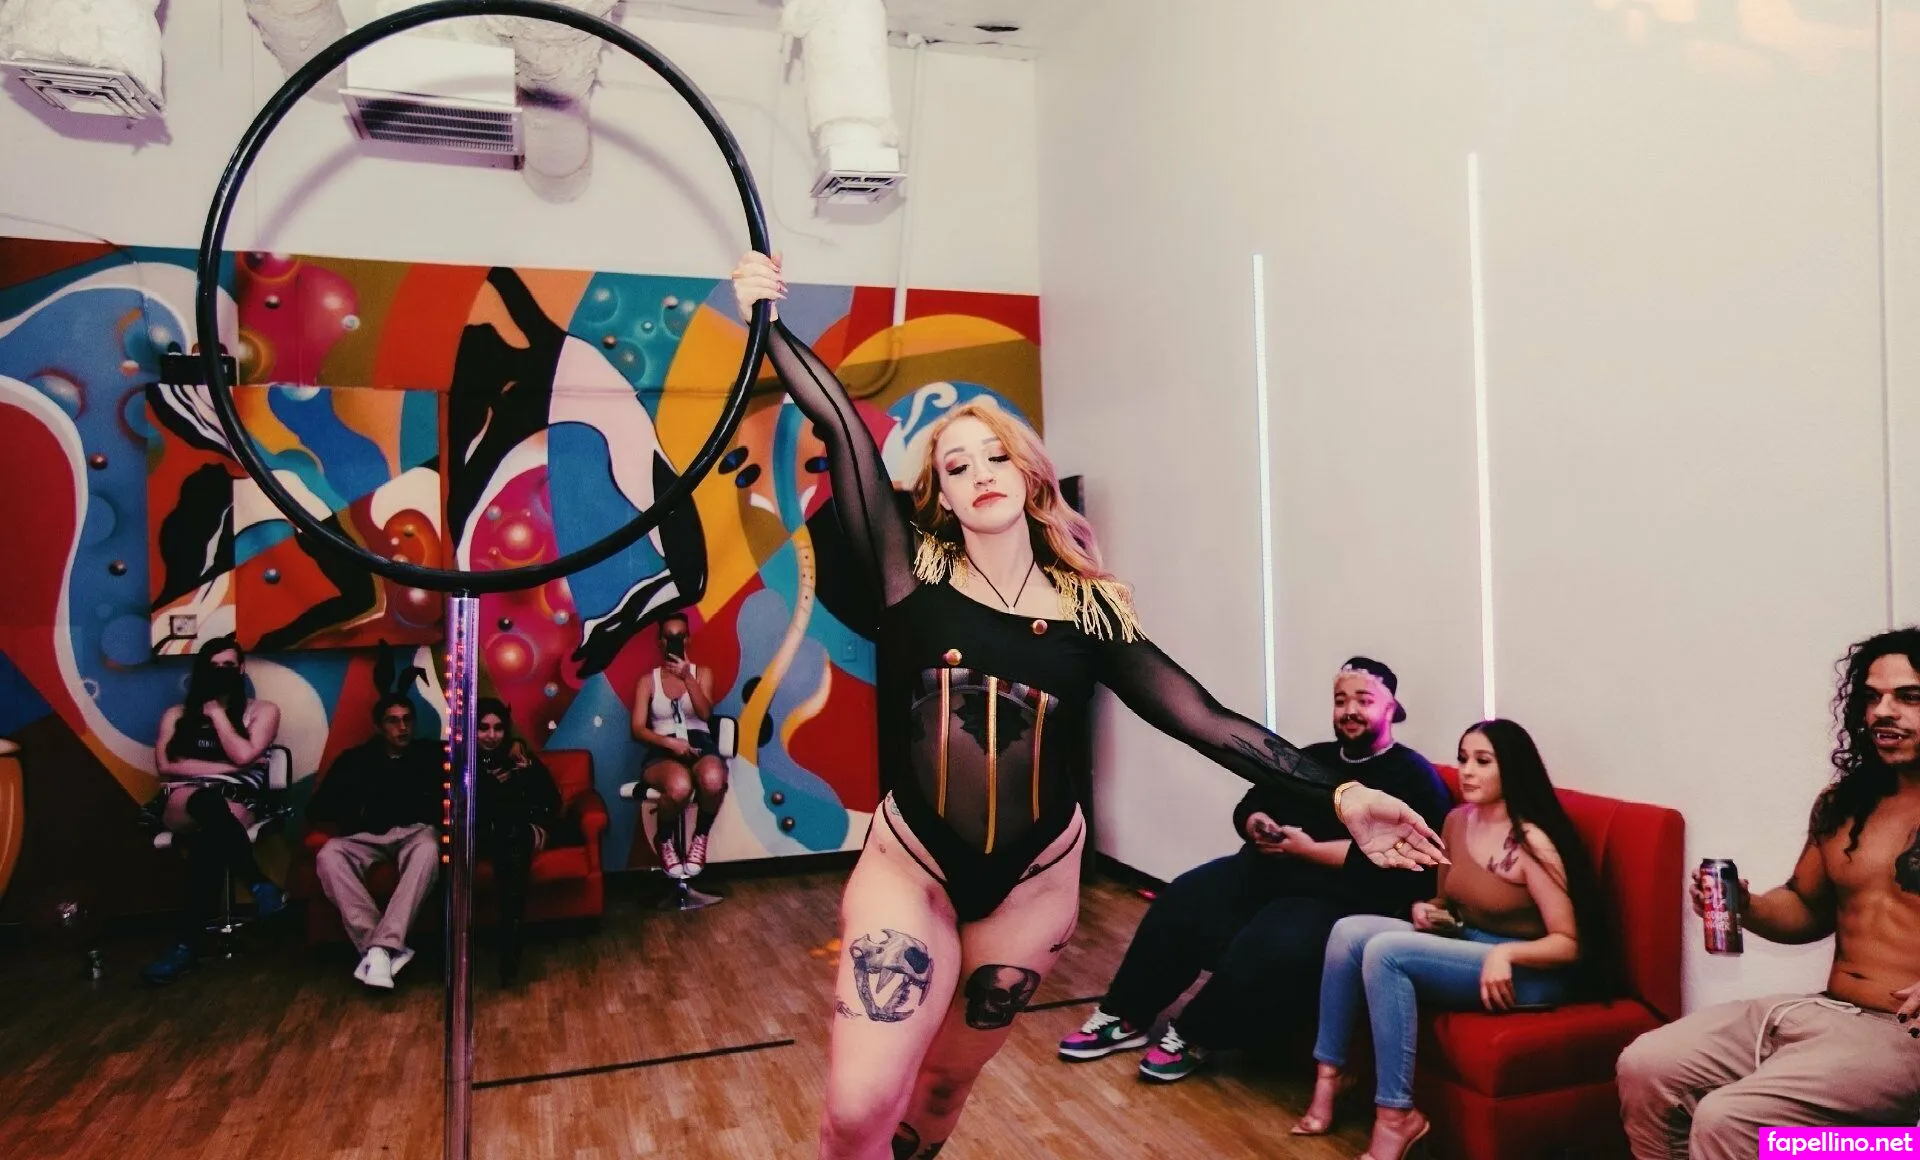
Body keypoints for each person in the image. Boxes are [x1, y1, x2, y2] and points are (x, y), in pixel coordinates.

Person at [730, 251, 1445, 1160]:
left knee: (943, 1089)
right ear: (939, 494)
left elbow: (1203, 718)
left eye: (997, 455)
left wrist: (1342, 793)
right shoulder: (907, 580)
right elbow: (840, 423)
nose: (981, 472)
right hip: (912, 869)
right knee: (859, 1104)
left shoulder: (1089, 611)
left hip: (1034, 886)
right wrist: (767, 321)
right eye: (957, 464)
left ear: (1031, 475)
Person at [1058, 656, 1452, 1081]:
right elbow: (1252, 802)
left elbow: (1411, 863)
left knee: (1277, 939)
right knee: (1187, 896)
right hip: (1267, 871)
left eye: (1364, 700)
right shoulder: (1313, 759)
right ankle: (1124, 1015)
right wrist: (1256, 823)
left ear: (1392, 708)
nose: (1349, 710)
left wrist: (1309, 851)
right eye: (1341, 701)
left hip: (1338, 896)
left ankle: (1193, 1035)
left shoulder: (1412, 776)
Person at [1617, 629, 1920, 1157]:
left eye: (1908, 697)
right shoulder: (1845, 803)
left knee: (1730, 1120)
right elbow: (1806, 907)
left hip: (1904, 1038)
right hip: (1827, 1011)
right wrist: (1747, 907)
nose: (1882, 712)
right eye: (1872, 697)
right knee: (1645, 1065)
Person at [1300, 719, 1608, 1160]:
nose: (1467, 771)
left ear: (1511, 769)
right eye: (1463, 759)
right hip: (1469, 944)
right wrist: (1428, 912)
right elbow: (1448, 905)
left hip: (1531, 971)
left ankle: (1396, 1116)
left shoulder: (1531, 843)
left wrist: (1506, 953)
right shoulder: (1456, 822)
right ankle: (1330, 1077)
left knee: (1386, 953)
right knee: (1348, 932)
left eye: (1483, 761)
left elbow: (1568, 943)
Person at [140, 636, 286, 985]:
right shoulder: (177, 715)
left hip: (236, 798)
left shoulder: (263, 711)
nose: (221, 673)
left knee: (210, 839)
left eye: (228, 666)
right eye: (213, 667)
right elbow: (165, 764)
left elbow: (242, 754)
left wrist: (217, 714)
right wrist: (230, 768)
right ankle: (258, 882)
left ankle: (185, 947)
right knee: (207, 802)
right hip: (184, 799)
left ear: (241, 669)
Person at [306, 693, 443, 990]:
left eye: (407, 720)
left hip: (414, 833)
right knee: (328, 855)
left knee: (429, 849)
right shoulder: (354, 760)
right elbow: (318, 809)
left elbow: (479, 755)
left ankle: (379, 950)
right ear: (379, 726)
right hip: (365, 836)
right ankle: (382, 948)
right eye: (393, 721)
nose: (402, 727)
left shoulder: (430, 754)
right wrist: (359, 805)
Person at [628, 613, 727, 876]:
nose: (676, 641)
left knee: (713, 779)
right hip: (663, 747)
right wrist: (670, 744)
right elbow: (637, 729)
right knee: (680, 786)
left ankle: (700, 836)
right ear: (660, 642)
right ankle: (664, 839)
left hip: (699, 741)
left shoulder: (702, 673)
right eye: (670, 637)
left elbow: (706, 715)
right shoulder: (647, 681)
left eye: (681, 636)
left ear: (688, 640)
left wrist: (687, 678)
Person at [476, 698, 562, 984]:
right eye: (483, 728)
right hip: (483, 835)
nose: (491, 735)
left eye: (498, 728)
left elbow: (551, 801)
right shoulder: (463, 762)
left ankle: (510, 947)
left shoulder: (520, 757)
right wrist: (489, 787)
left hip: (521, 832)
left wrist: (527, 774)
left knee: (512, 835)